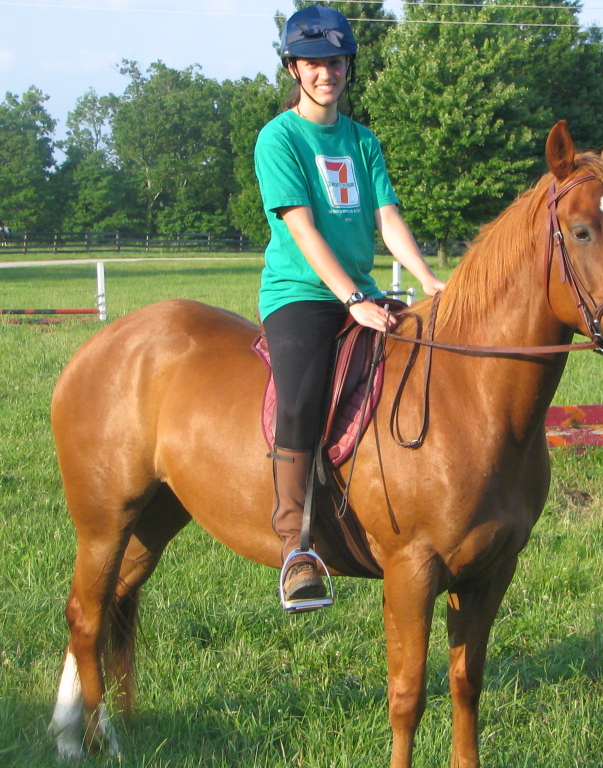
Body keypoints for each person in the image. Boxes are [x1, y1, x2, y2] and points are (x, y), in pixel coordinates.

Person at [255, 5, 445, 607]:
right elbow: (303, 229)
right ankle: (295, 546)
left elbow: (388, 219)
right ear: (294, 69)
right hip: (301, 295)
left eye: (335, 62)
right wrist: (354, 298)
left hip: (360, 292)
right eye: (313, 64)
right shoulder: (279, 138)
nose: (325, 73)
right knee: (301, 398)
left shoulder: (363, 141)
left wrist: (427, 278)